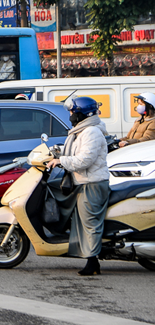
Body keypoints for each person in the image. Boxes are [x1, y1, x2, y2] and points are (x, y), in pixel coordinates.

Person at [46, 97, 110, 276]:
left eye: (73, 112)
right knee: (82, 220)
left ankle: (93, 262)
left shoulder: (91, 132)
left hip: (92, 183)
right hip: (82, 181)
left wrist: (61, 161)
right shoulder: (80, 131)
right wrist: (57, 152)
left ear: (82, 114)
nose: (70, 115)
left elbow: (84, 160)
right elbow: (76, 152)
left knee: (90, 223)